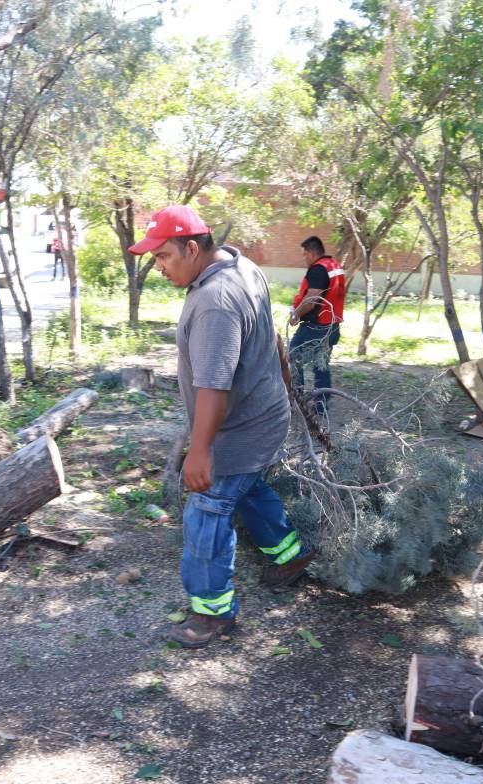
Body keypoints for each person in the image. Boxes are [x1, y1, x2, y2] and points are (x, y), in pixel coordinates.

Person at [128, 205, 316, 649]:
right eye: (154, 259)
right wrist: (289, 393)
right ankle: (291, 557)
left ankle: (212, 613)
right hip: (266, 414)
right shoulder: (243, 265)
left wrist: (200, 450)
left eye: (165, 257)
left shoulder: (213, 301)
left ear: (192, 248)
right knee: (247, 490)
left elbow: (215, 384)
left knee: (207, 513)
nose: (159, 268)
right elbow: (270, 339)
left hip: (239, 428)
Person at [288, 236, 346, 412]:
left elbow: (311, 300)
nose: (304, 258)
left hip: (316, 326)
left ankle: (297, 399)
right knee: (321, 363)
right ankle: (321, 404)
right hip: (332, 325)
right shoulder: (334, 265)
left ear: (312, 253)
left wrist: (295, 315)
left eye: (305, 254)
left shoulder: (318, 270)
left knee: (293, 356)